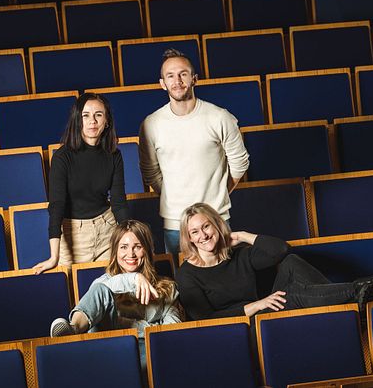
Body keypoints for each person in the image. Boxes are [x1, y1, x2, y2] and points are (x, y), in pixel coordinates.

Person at [175, 203, 373, 320]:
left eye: (206, 226)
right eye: (194, 232)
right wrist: (255, 306)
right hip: (241, 324)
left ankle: (345, 309)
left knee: (291, 262)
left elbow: (280, 250)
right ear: (189, 239)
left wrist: (244, 236)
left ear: (216, 225)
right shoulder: (187, 274)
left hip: (264, 308)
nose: (203, 235)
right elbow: (204, 319)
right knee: (294, 296)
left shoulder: (238, 254)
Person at [139, 49, 249, 255]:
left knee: (223, 277)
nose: (177, 80)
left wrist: (220, 192)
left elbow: (240, 162)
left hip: (216, 217)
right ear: (162, 83)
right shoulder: (151, 124)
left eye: (183, 74)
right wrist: (172, 195)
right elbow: (150, 171)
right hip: (175, 222)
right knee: (181, 282)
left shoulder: (220, 117)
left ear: (194, 79)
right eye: (170, 76)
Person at [49, 220, 182, 377]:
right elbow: (105, 288)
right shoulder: (103, 283)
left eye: (137, 247)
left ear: (147, 250)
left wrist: (133, 326)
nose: (130, 254)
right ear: (115, 251)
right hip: (110, 351)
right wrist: (134, 279)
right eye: (123, 247)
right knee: (100, 290)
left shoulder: (168, 287)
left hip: (149, 353)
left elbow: (171, 332)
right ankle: (73, 329)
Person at [33, 92, 129, 273]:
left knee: (113, 290)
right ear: (78, 120)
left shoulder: (114, 154)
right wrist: (54, 256)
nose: (92, 121)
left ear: (106, 121)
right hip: (73, 234)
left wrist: (128, 238)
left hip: (107, 228)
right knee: (78, 296)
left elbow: (119, 202)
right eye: (86, 115)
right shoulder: (62, 157)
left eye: (98, 115)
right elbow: (56, 205)